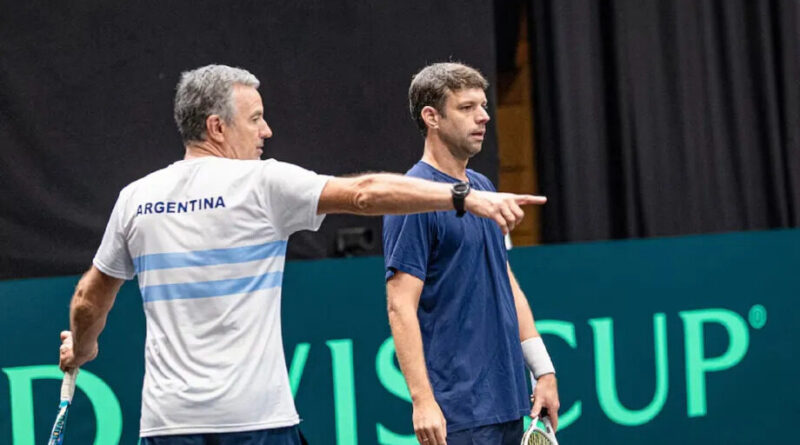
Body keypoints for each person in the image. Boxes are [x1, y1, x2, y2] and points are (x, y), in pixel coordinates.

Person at [57, 64, 545, 445]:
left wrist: (84, 347)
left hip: (165, 426)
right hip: (257, 421)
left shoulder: (135, 198)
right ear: (216, 127)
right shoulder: (262, 183)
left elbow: (87, 300)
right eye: (255, 119)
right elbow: (366, 194)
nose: (266, 131)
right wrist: (459, 196)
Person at [382, 62, 560, 445]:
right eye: (466, 108)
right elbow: (399, 306)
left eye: (483, 105)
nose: (483, 117)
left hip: (512, 400)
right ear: (432, 117)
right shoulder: (411, 198)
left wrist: (542, 371)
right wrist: (422, 401)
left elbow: (506, 282)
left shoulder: (483, 189)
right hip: (459, 413)